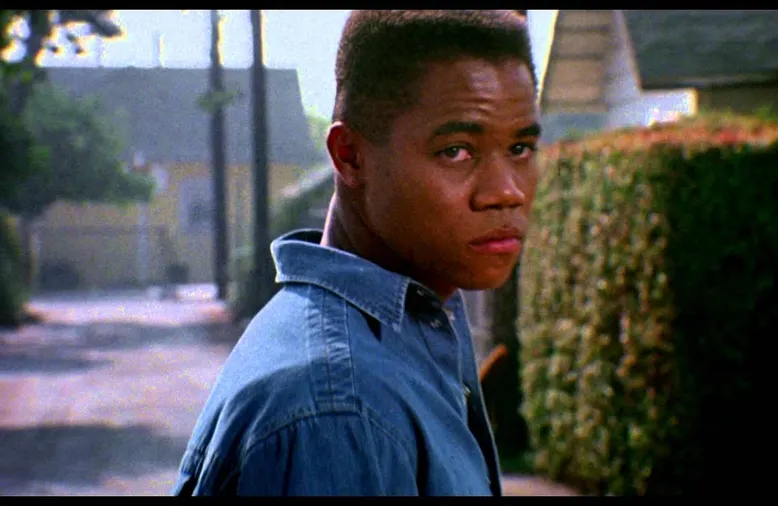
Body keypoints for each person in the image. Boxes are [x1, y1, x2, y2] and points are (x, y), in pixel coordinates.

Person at [172, 10, 541, 496]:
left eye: (520, 148)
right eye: (456, 151)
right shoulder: (339, 412)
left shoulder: (412, 325)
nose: (506, 191)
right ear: (350, 156)